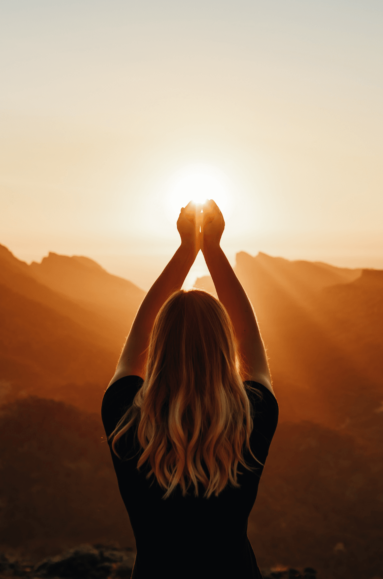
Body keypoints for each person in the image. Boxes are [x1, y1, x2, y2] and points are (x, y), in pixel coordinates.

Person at [101, 199, 278, 579]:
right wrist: (212, 251)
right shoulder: (249, 421)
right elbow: (254, 353)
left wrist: (185, 250)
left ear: (158, 347)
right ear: (223, 347)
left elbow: (132, 351)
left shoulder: (126, 422)